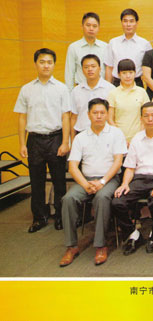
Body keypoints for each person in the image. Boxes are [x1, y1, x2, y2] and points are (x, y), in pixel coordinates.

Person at [59, 98, 127, 267]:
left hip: (109, 179)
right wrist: (85, 184)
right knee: (68, 199)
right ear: (88, 115)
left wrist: (102, 182)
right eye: (95, 113)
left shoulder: (116, 133)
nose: (98, 116)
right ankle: (71, 246)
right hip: (86, 180)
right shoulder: (80, 137)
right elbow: (73, 166)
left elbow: (118, 162)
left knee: (102, 198)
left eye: (102, 113)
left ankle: (100, 245)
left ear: (107, 114)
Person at [14, 48, 71, 233]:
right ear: (36, 64)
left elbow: (66, 116)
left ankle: (61, 216)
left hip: (56, 138)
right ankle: (39, 218)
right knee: (36, 181)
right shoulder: (26, 89)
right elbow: (22, 117)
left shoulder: (62, 88)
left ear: (54, 65)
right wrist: (22, 143)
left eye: (49, 62)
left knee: (59, 181)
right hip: (34, 140)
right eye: (42, 62)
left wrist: (65, 142)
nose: (46, 65)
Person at [112, 102, 153, 255]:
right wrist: (125, 184)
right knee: (117, 202)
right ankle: (133, 234)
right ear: (141, 119)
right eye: (146, 116)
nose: (150, 119)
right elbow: (130, 167)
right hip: (140, 179)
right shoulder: (137, 138)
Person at [70, 54, 115, 141]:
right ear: (82, 70)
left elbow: (113, 116)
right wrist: (72, 141)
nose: (90, 69)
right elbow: (73, 118)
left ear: (100, 68)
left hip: (104, 136)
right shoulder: (76, 91)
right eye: (86, 67)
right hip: (82, 135)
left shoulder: (110, 89)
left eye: (93, 66)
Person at [104, 8, 152, 87]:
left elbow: (148, 70)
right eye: (125, 21)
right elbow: (109, 68)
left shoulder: (145, 44)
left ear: (137, 23)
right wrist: (107, 88)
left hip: (137, 83)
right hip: (117, 84)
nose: (128, 24)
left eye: (131, 21)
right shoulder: (113, 42)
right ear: (121, 23)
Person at [107, 59, 150, 144]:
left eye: (131, 72)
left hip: (139, 139)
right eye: (124, 73)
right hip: (118, 140)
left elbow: (146, 116)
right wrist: (120, 138)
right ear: (119, 74)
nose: (128, 76)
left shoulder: (142, 92)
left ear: (135, 73)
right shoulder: (113, 93)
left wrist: (138, 138)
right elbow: (110, 119)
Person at [64, 12, 107, 89]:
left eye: (94, 26)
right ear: (82, 26)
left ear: (98, 28)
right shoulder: (73, 47)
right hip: (81, 90)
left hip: (101, 90)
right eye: (88, 25)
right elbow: (69, 74)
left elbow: (108, 72)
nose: (91, 28)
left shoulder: (105, 47)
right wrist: (70, 93)